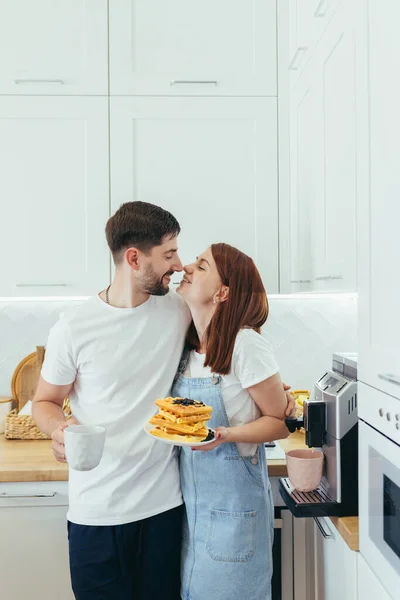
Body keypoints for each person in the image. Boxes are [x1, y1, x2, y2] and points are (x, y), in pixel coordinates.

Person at [32, 201, 191, 600]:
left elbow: (233, 331)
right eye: (169, 254)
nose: (178, 264)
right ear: (134, 258)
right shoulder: (74, 328)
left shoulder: (178, 310)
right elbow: (44, 402)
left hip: (163, 510)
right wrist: (59, 428)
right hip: (95, 515)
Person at [172, 242, 290, 600]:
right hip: (194, 517)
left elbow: (279, 422)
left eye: (202, 266)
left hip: (235, 520)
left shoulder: (246, 345)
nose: (187, 267)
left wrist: (224, 434)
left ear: (223, 292)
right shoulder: (188, 349)